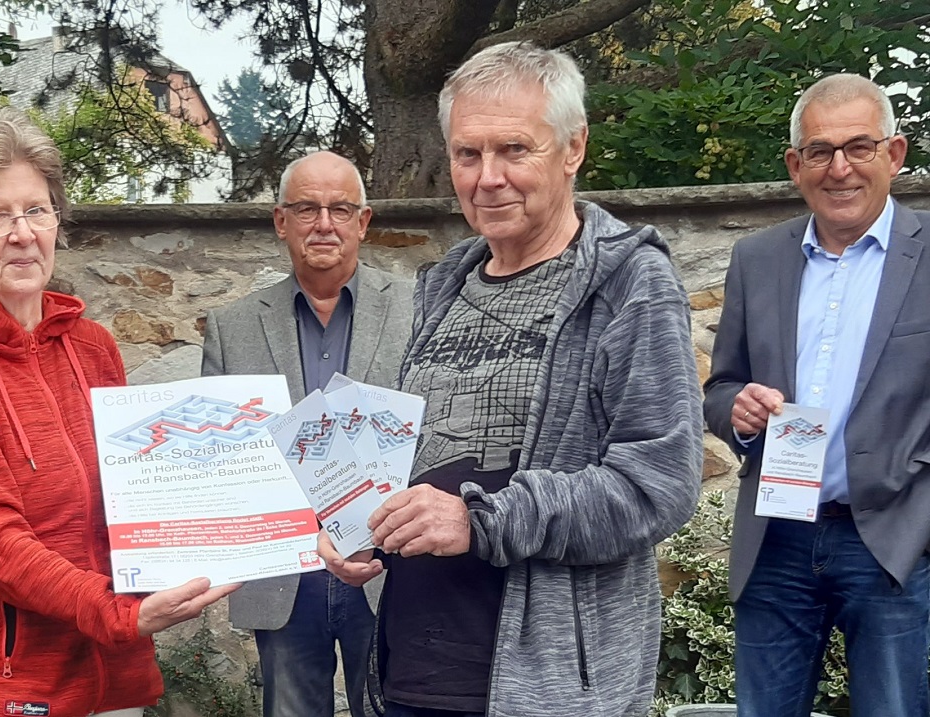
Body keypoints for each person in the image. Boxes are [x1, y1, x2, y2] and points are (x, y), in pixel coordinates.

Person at [321, 42, 704, 717]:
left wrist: (482, 518)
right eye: (468, 154)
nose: (487, 177)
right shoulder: (443, 286)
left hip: (545, 687)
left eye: (513, 150)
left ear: (572, 148)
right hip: (412, 671)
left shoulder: (629, 283)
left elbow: (659, 484)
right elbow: (424, 459)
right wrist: (359, 526)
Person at [0, 106, 236, 717]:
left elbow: (145, 502)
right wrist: (120, 612)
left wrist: (261, 535)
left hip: (110, 675)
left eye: (36, 210)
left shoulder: (92, 347)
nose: (22, 233)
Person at [704, 73, 929, 717]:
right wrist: (738, 414)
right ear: (795, 165)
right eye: (820, 151)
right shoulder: (757, 259)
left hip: (889, 541)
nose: (840, 169)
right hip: (777, 536)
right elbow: (720, 388)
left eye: (859, 147)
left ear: (894, 154)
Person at [201, 151, 413, 717]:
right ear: (280, 221)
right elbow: (226, 460)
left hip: (387, 567)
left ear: (363, 222)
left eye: (340, 208)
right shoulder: (232, 327)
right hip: (284, 573)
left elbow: (434, 433)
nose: (324, 223)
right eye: (306, 208)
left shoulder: (416, 310)